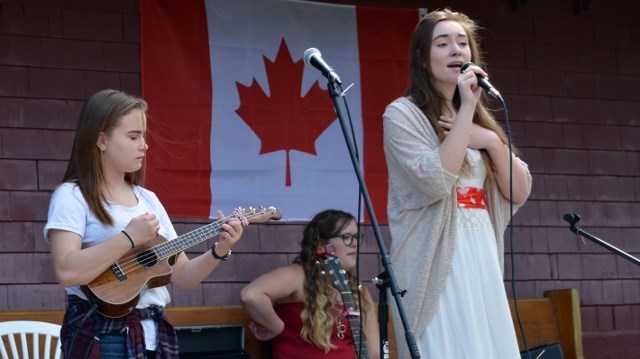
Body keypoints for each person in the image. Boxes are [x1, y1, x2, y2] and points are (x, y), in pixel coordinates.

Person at [44, 89, 244, 359]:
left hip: (153, 337)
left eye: (143, 136)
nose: (144, 145)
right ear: (102, 140)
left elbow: (182, 276)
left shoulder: (148, 199)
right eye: (133, 136)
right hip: (102, 337)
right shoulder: (72, 196)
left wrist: (220, 250)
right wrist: (129, 238)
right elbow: (67, 271)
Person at [382, 8, 532, 359]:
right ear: (421, 58)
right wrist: (466, 114)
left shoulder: (479, 121)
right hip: (433, 258)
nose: (456, 51)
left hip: (479, 250)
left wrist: (492, 141)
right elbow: (435, 181)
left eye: (463, 43)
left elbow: (520, 191)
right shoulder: (402, 114)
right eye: (443, 43)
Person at [240, 209, 380, 359]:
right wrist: (276, 327)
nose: (354, 244)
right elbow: (251, 295)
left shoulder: (358, 289)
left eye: (356, 237)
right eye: (346, 237)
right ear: (320, 244)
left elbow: (374, 352)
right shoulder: (298, 276)